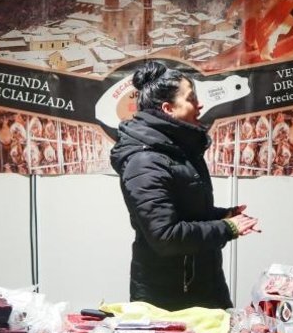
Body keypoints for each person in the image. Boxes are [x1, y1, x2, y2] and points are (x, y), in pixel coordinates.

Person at [110, 60, 259, 311]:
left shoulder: (179, 150)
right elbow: (165, 236)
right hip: (168, 299)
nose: (199, 105)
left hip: (202, 284)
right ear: (168, 109)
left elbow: (187, 212)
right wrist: (226, 227)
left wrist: (222, 215)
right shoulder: (145, 161)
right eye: (191, 99)